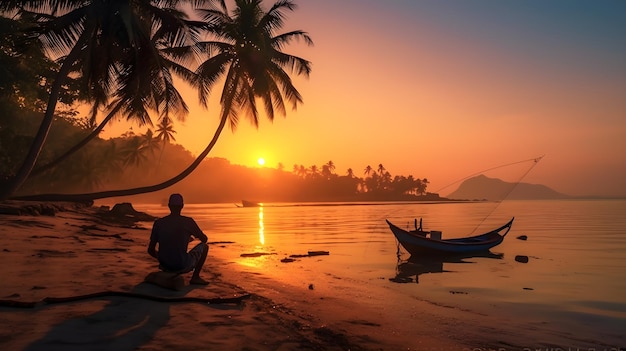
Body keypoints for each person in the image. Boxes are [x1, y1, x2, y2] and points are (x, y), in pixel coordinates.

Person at [148, 193, 209, 285]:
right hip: (181, 264)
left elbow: (150, 250)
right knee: (204, 247)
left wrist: (163, 258)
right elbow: (204, 239)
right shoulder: (188, 222)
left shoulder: (159, 223)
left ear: (169, 206)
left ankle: (168, 264)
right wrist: (189, 237)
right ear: (182, 206)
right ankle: (195, 277)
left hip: (164, 265)